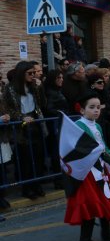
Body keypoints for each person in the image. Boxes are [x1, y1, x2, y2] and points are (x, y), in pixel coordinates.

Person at [63, 92, 110, 241]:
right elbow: (76, 151)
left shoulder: (97, 126)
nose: (96, 110)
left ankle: (106, 233)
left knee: (105, 199)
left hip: (100, 170)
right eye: (92, 107)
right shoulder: (78, 126)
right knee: (91, 203)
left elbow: (103, 148)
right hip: (86, 173)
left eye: (98, 107)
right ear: (82, 110)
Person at [3, 61, 46, 199]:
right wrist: (21, 117)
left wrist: (41, 88)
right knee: (25, 159)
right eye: (30, 73)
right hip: (21, 126)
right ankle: (27, 188)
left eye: (34, 73)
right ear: (22, 73)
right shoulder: (10, 88)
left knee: (38, 156)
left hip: (35, 122)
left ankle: (36, 185)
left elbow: (42, 104)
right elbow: (8, 109)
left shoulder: (34, 86)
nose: (33, 76)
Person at [44, 69, 70, 190]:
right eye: (58, 78)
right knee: (56, 154)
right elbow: (50, 109)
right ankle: (58, 180)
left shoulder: (58, 91)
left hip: (60, 125)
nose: (61, 80)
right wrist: (62, 113)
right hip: (55, 126)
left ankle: (62, 178)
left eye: (62, 77)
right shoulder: (51, 92)